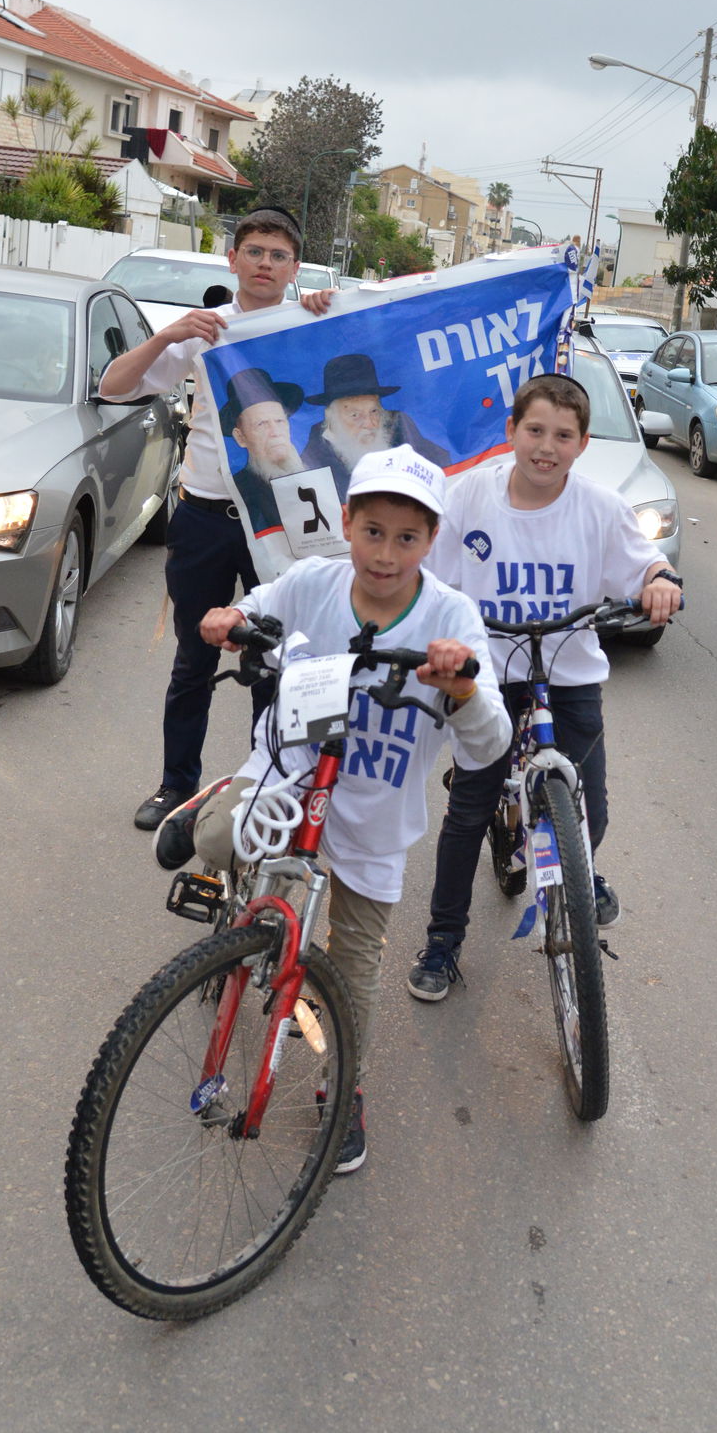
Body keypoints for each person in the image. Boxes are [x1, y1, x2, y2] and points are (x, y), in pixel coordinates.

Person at [157, 446, 510, 1174]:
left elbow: (490, 743)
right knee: (229, 842)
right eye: (372, 531)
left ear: (431, 539)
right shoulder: (315, 580)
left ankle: (340, 1087)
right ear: (345, 523)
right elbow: (257, 606)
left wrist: (464, 688)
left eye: (407, 538)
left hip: (373, 820)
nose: (386, 552)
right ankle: (205, 815)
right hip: (288, 777)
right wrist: (229, 616)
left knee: (352, 970)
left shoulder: (451, 616)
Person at [406, 371, 683, 1002]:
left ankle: (579, 872)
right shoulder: (467, 496)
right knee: (470, 809)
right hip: (489, 672)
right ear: (510, 431)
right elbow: (420, 568)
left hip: (568, 671)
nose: (546, 446)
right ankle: (443, 943)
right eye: (535, 430)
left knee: (592, 808)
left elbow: (648, 563)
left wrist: (662, 580)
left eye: (563, 435)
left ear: (582, 444)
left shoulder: (600, 507)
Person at [99, 208, 332, 832]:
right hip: (203, 517)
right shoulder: (205, 332)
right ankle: (176, 785)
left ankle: (270, 783)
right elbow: (115, 386)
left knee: (271, 657)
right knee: (192, 658)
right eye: (253, 251)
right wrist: (166, 336)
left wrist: (332, 311)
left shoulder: (309, 325)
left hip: (275, 521)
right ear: (232, 259)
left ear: (295, 268)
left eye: (278, 256)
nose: (264, 264)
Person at [300, 351, 450, 499]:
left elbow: (441, 464)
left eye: (374, 411)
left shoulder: (399, 426)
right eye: (355, 415)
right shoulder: (313, 457)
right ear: (331, 418)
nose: (370, 424)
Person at [221, 365, 305, 534]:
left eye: (280, 421)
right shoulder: (240, 489)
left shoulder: (310, 476)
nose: (275, 433)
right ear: (240, 437)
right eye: (262, 424)